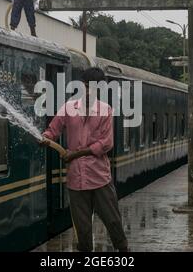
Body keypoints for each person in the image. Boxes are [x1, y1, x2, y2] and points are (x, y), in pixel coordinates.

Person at [40, 68, 129, 252]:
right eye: (86, 86)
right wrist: (45, 138)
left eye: (94, 87)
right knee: (82, 229)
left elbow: (106, 143)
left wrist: (77, 154)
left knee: (113, 221)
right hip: (76, 180)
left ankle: (124, 252)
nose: (88, 90)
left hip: (99, 179)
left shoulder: (105, 110)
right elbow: (53, 130)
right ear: (82, 85)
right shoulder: (68, 108)